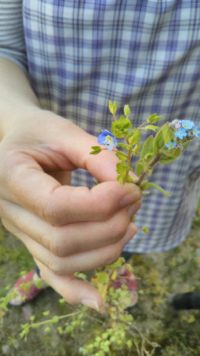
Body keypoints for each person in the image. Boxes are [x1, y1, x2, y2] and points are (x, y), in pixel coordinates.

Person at [0, 1, 200, 309]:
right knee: (51, 233)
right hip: (56, 144)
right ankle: (44, 269)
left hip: (166, 152)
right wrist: (16, 119)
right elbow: (4, 45)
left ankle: (117, 265)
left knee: (127, 225)